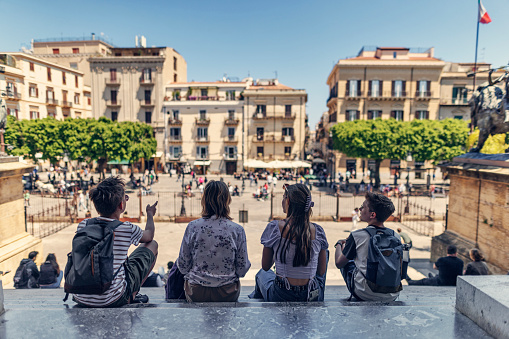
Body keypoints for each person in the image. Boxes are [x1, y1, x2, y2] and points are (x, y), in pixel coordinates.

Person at [72, 177, 159, 307]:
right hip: (112, 299)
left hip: (81, 296)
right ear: (121, 205)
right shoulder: (126, 228)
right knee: (153, 245)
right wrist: (150, 214)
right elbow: (149, 236)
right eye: (125, 198)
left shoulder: (83, 225)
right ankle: (132, 293)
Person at [249, 183, 328, 302]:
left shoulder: (274, 228)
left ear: (288, 201)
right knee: (324, 251)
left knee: (261, 274)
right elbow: (321, 271)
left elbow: (265, 266)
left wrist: (279, 254)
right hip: (310, 295)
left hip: (281, 294)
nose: (282, 200)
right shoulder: (318, 231)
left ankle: (257, 301)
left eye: (283, 197)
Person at [177, 180, 250, 302]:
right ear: (228, 201)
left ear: (204, 200)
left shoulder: (193, 227)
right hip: (228, 293)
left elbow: (183, 266)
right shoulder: (237, 230)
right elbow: (242, 269)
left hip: (196, 292)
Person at [335, 192, 401, 302]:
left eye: (363, 207)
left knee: (348, 261)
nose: (360, 209)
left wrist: (339, 244)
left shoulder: (357, 235)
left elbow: (339, 263)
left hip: (364, 293)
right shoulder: (396, 236)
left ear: (372, 215)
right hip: (392, 293)